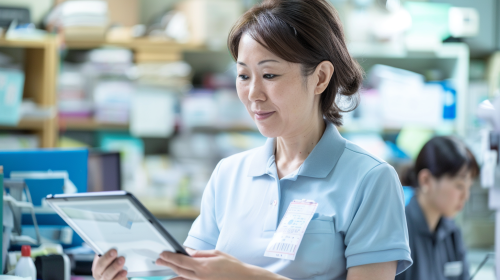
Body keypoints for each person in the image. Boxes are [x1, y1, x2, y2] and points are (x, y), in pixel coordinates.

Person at [92, 0, 413, 279]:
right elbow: (188, 274)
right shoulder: (228, 175)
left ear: (320, 77)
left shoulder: (371, 180)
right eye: (244, 75)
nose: (253, 94)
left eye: (270, 75)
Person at [396, 136, 479, 280]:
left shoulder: (452, 233)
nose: (466, 196)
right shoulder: (398, 233)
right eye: (459, 186)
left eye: (469, 187)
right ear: (426, 180)